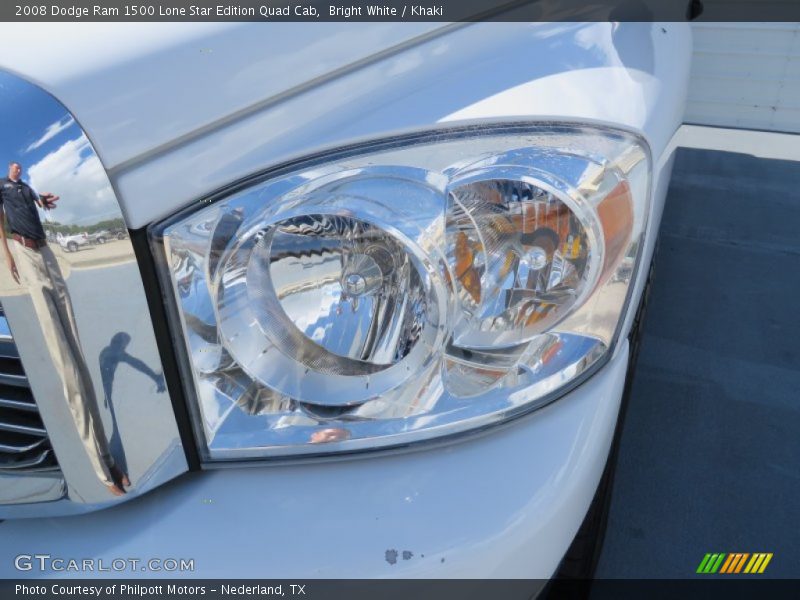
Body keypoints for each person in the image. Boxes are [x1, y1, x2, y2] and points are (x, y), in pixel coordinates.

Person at [0, 161, 129, 496]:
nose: (16, 168)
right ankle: (101, 471)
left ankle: (107, 457)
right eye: (13, 166)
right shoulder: (2, 186)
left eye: (18, 166)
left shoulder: (25, 188)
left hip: (46, 253)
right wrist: (8, 257)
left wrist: (42, 200)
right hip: (24, 253)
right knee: (68, 370)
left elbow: (37, 202)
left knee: (82, 369)